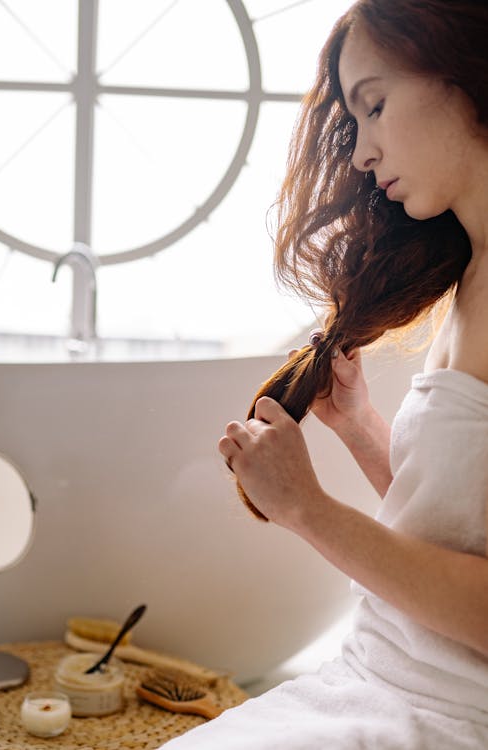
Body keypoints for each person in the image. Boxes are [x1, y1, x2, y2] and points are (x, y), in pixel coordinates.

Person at [161, 1, 488, 747]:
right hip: (381, 674)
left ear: (467, 70)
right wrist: (364, 430)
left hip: (445, 710)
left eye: (376, 105)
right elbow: (460, 528)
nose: (362, 153)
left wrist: (308, 508)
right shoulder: (470, 283)